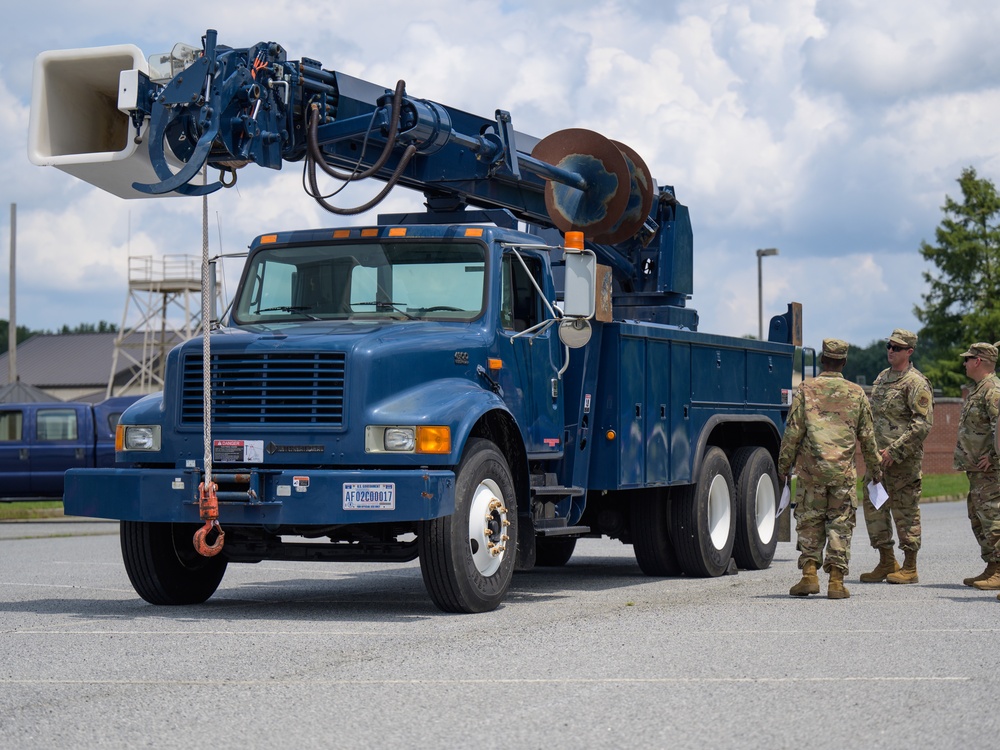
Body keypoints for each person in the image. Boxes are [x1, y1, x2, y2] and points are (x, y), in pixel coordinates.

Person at [778, 338, 882, 599]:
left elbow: (793, 432)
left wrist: (784, 466)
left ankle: (809, 576)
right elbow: (868, 437)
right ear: (844, 362)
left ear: (823, 360)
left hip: (811, 472)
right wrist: (876, 470)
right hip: (842, 473)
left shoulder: (805, 389)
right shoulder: (857, 393)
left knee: (810, 520)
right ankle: (836, 582)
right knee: (840, 522)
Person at [859, 329, 934, 584]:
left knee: (905, 511)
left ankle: (910, 567)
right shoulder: (882, 378)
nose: (891, 350)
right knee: (874, 508)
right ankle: (886, 560)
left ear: (909, 351)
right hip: (878, 461)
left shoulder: (916, 383)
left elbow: (922, 424)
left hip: (902, 462)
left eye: (897, 347)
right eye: (889, 346)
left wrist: (896, 451)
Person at [953, 342, 1000, 591]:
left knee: (993, 518)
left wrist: (993, 456)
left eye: (968, 358)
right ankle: (992, 566)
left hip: (990, 472)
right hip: (977, 471)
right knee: (979, 517)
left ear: (979, 361)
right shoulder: (979, 389)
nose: (965, 363)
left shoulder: (993, 390)